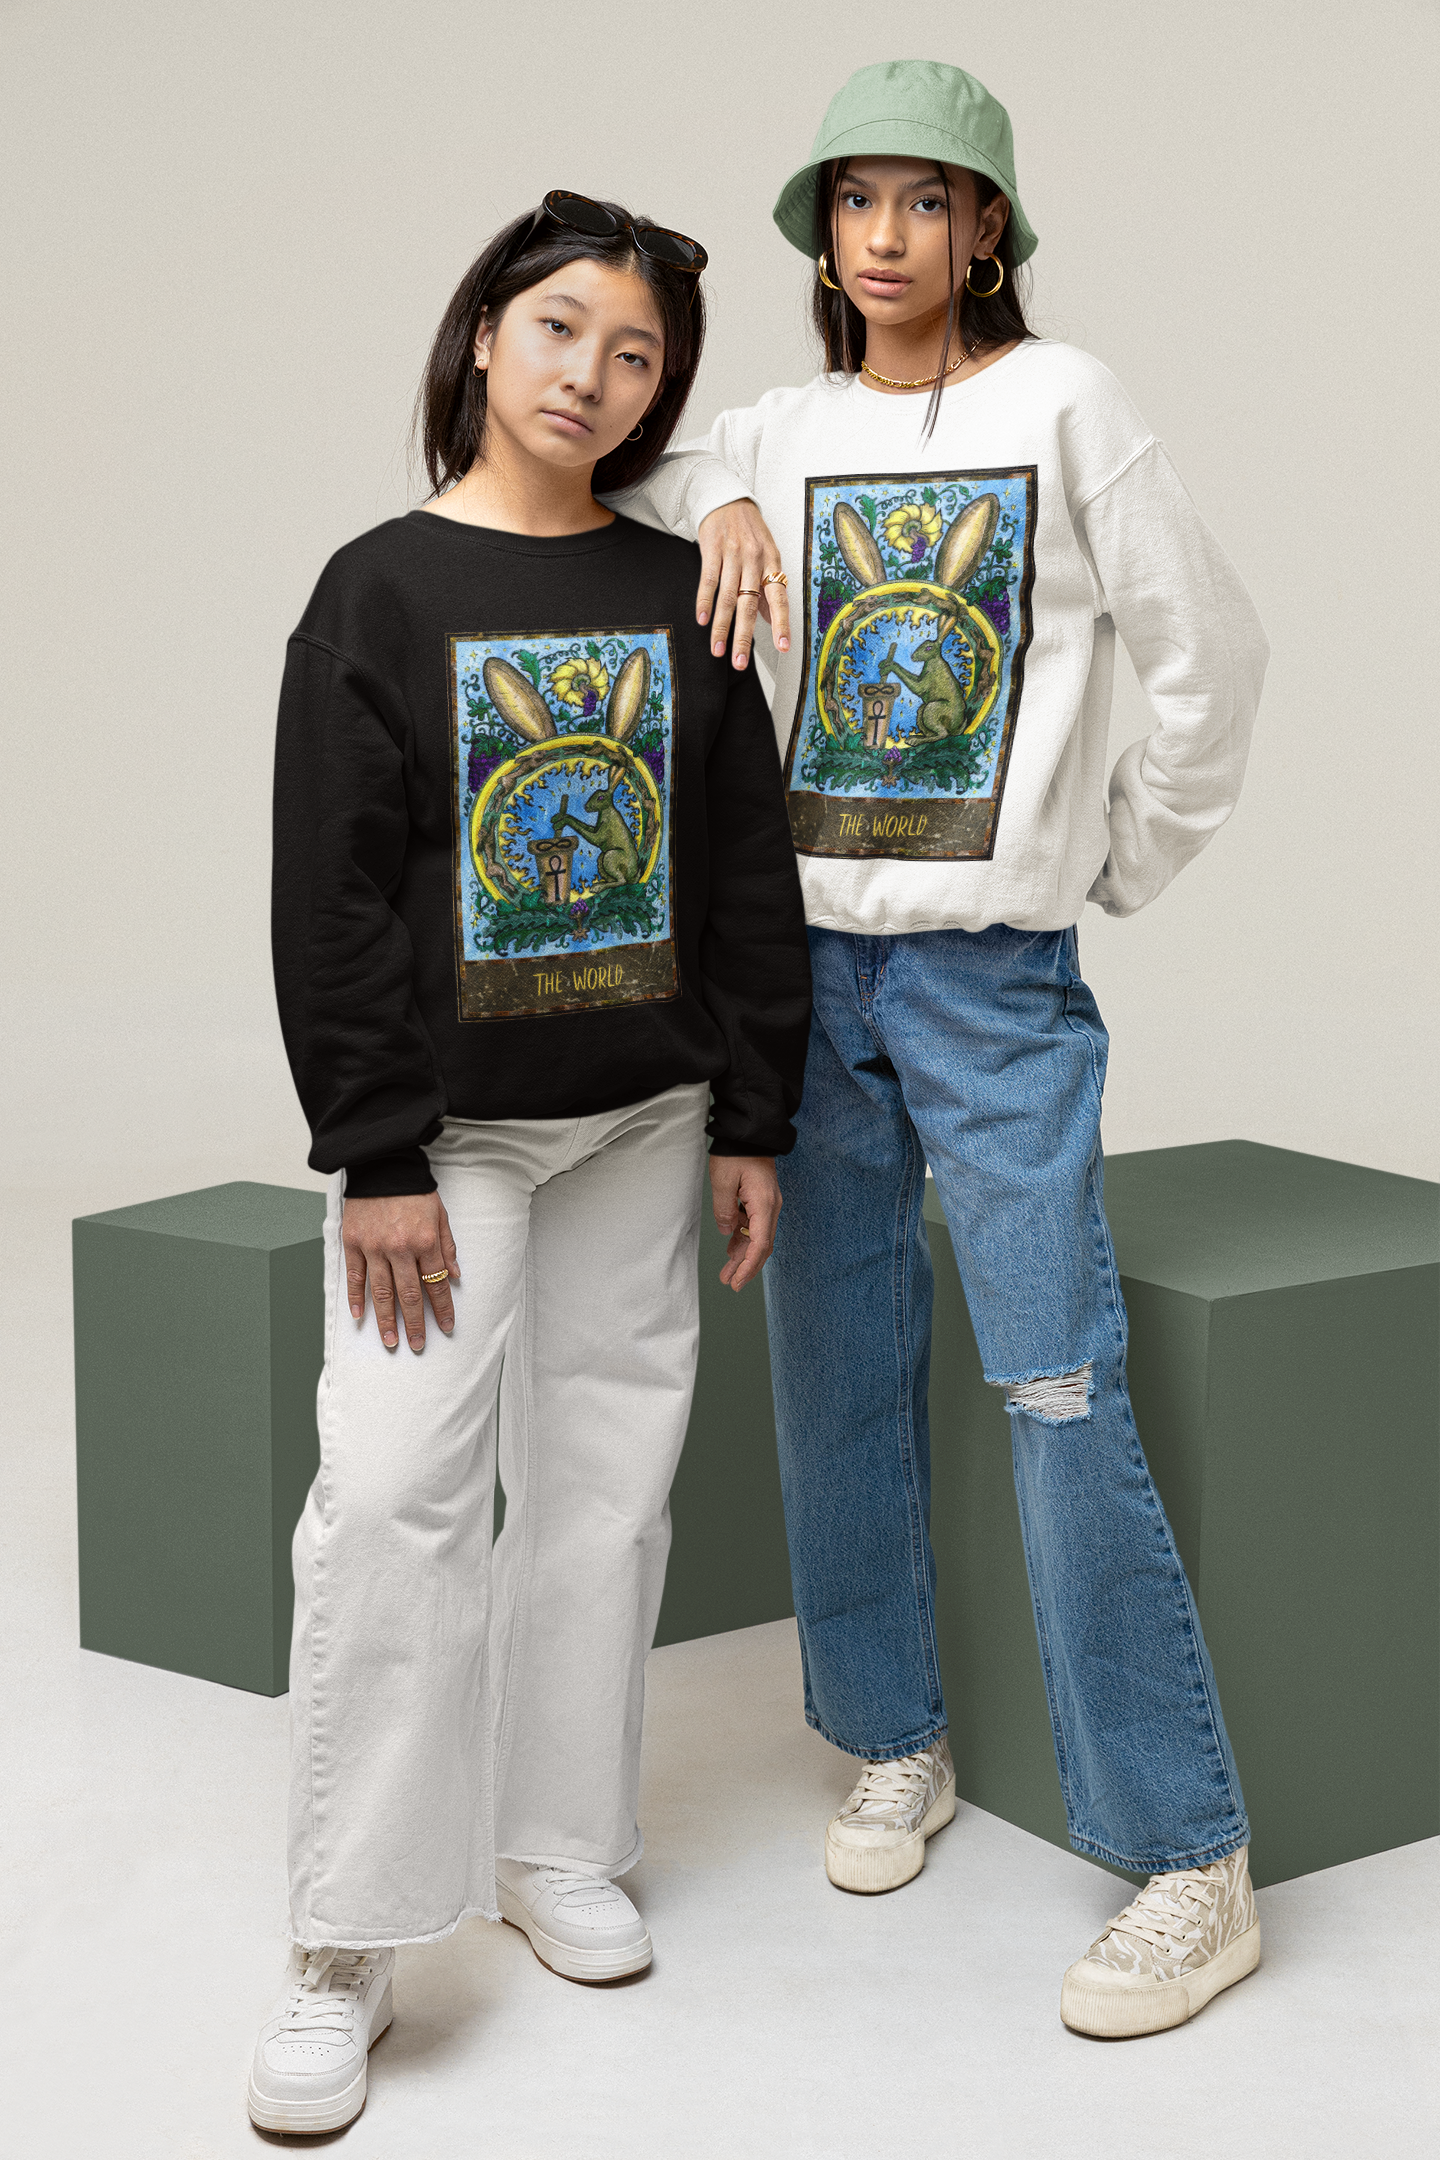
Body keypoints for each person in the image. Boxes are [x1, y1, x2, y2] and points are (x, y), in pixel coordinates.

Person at [615, 60, 1269, 2038]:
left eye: (929, 201)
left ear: (988, 229)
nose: (887, 235)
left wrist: (1111, 857)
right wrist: (724, 485)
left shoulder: (1066, 403)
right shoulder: (782, 426)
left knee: (1053, 1382)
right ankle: (892, 1735)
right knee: (831, 1374)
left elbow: (1207, 654)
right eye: (856, 202)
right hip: (804, 984)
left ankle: (1189, 1855)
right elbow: (628, 474)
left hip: (990, 986)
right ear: (822, 232)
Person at [254, 192, 811, 2134]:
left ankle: (559, 1842)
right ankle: (346, 1937)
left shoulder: (685, 596)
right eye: (561, 326)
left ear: (668, 393)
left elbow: (748, 871)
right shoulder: (379, 592)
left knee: (601, 1496)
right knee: (396, 1501)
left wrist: (755, 1112)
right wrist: (378, 1152)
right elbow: (325, 897)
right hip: (449, 1148)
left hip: (642, 1126)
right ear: (486, 333)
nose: (593, 373)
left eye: (639, 352)